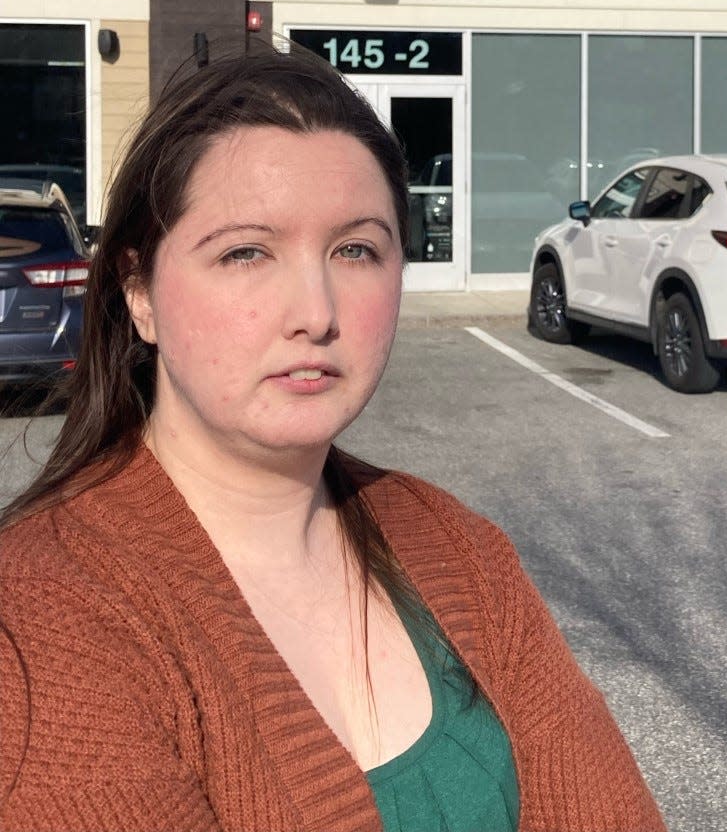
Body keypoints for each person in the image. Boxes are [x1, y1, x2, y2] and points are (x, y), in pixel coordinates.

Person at [0, 45, 668, 832]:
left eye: (356, 250)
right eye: (246, 252)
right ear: (139, 293)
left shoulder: (461, 549)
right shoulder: (44, 615)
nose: (315, 311)